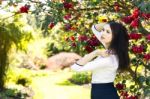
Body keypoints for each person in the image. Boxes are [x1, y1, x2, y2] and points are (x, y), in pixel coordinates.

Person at [70, 21, 130, 99]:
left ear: (115, 37)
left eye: (108, 32)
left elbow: (75, 67)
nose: (103, 33)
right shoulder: (112, 49)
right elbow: (94, 28)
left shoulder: (108, 59)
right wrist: (110, 25)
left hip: (103, 94)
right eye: (103, 30)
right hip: (105, 91)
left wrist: (96, 52)